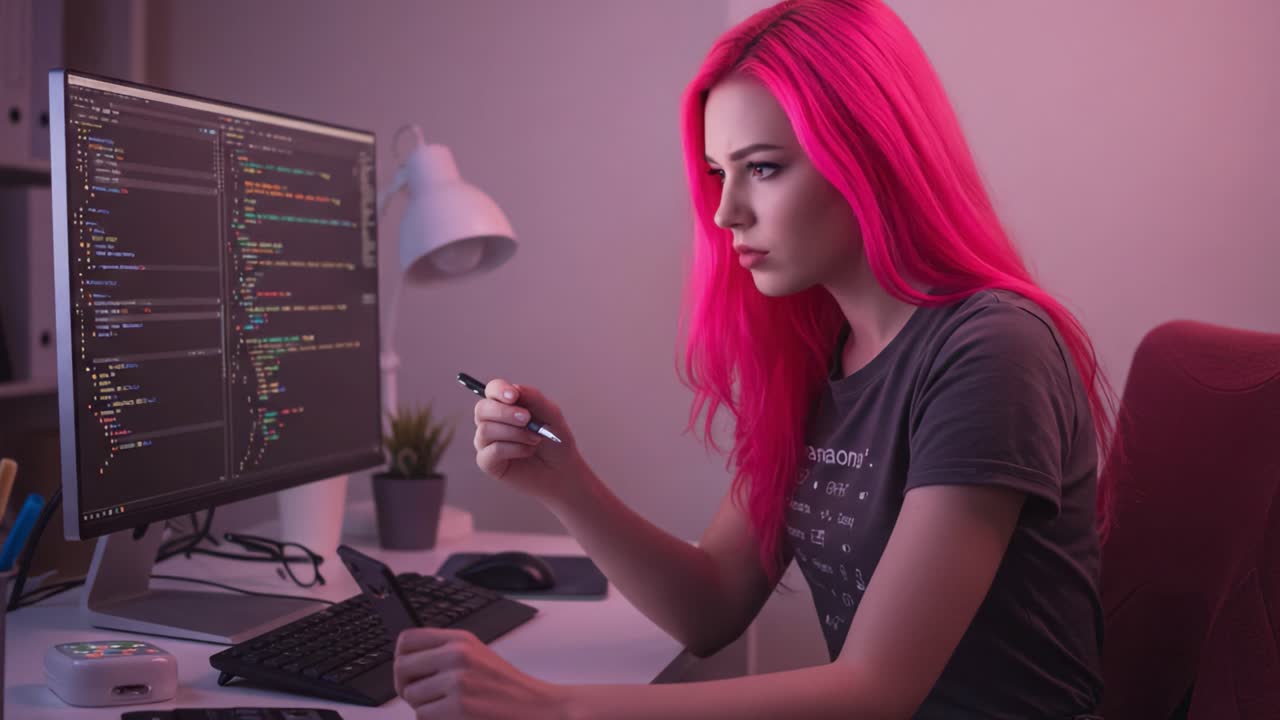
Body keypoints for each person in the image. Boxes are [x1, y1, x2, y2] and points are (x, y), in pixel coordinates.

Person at [392, 1, 1115, 718]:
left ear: (870, 156)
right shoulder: (819, 359)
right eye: (719, 173)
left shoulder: (992, 352)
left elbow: (877, 690)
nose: (725, 211)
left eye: (763, 168)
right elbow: (711, 608)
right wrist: (565, 482)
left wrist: (547, 708)